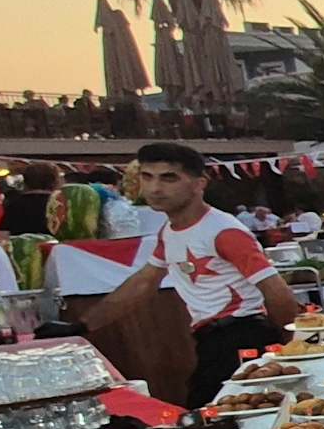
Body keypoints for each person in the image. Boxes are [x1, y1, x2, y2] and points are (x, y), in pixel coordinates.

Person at [89, 142, 299, 407]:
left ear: (199, 184)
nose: (155, 188)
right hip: (212, 340)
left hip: (241, 335)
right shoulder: (170, 231)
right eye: (147, 177)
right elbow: (144, 281)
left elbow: (276, 290)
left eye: (169, 178)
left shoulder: (223, 231)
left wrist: (287, 344)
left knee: (213, 417)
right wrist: (85, 325)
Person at [0, 162, 60, 237]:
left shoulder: (14, 204)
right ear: (55, 181)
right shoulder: (60, 205)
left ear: (25, 180)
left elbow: (2, 235)